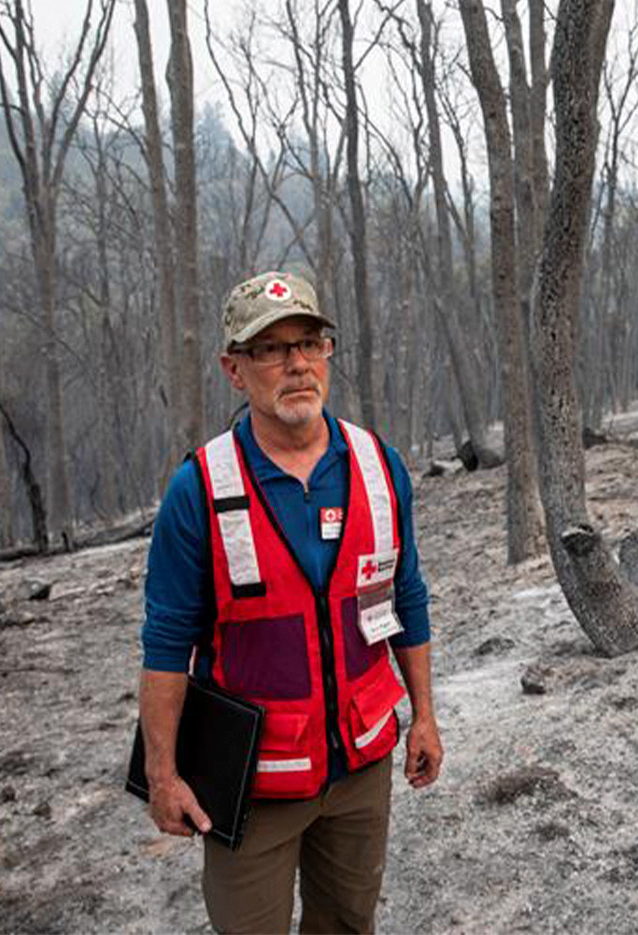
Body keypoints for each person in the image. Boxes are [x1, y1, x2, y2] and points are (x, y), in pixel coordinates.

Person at [137, 271, 444, 934]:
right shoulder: (198, 490)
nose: (298, 363)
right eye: (272, 349)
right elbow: (165, 645)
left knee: (347, 923)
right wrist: (163, 774)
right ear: (234, 369)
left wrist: (424, 714)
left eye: (310, 342)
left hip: (361, 766)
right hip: (253, 782)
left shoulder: (377, 466)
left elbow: (405, 593)